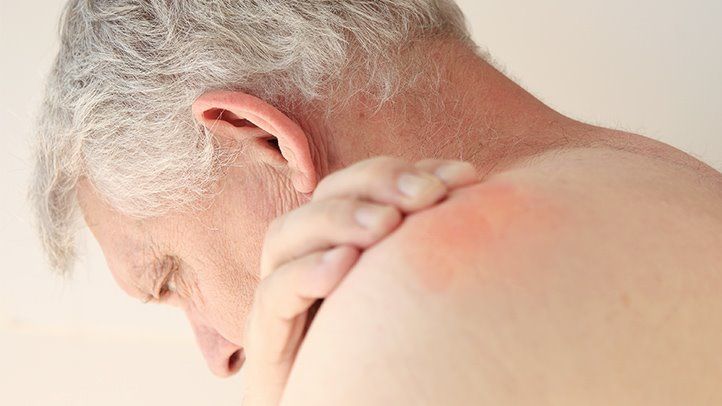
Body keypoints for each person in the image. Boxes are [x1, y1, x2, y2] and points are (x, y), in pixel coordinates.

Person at [31, 1, 722, 405]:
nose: (219, 356)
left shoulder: (410, 300)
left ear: (262, 141)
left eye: (169, 277)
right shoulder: (675, 183)